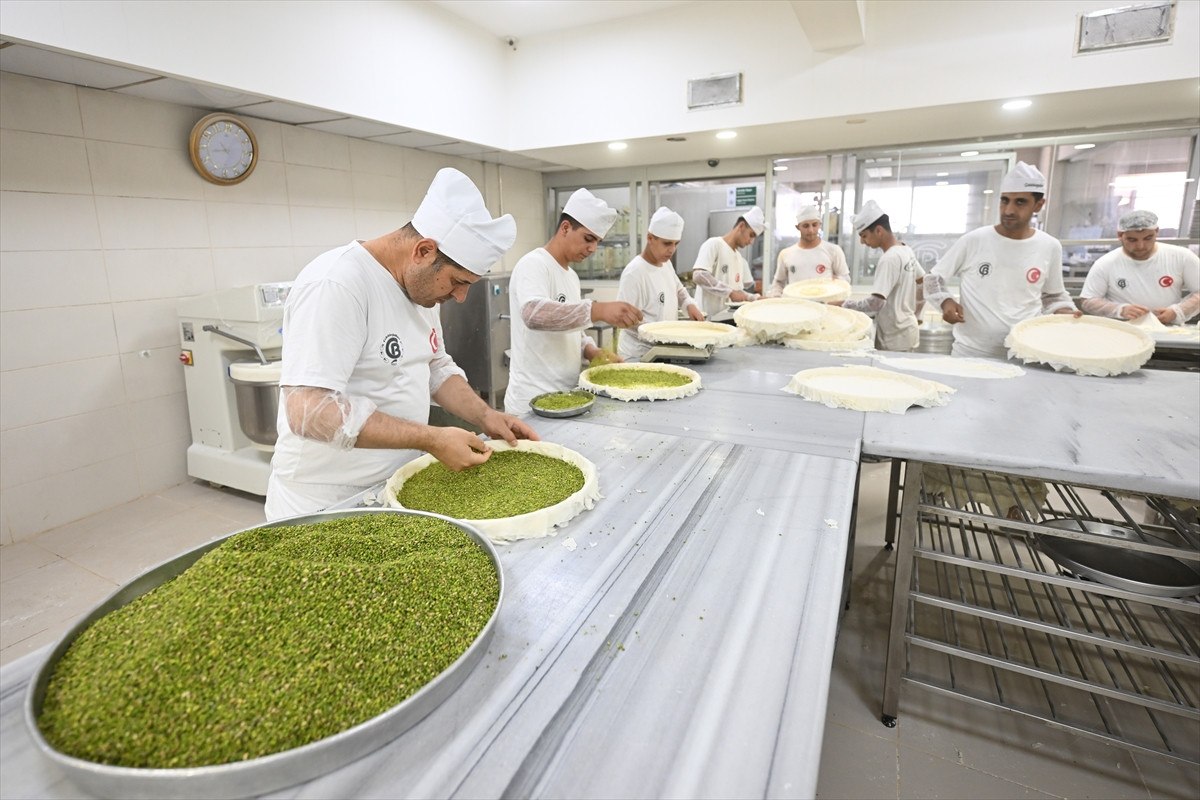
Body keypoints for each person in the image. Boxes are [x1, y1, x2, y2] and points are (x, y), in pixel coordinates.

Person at [265, 168, 539, 520]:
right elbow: (309, 411)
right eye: (457, 282)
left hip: (397, 486)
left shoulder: (421, 291)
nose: (460, 296)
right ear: (424, 251)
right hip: (326, 501)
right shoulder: (337, 284)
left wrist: (486, 416)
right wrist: (431, 438)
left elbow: (434, 366)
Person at [504, 188, 644, 414]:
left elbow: (572, 331)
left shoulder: (571, 276)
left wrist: (592, 351)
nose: (593, 249)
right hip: (531, 401)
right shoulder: (534, 264)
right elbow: (534, 314)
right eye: (588, 239)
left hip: (568, 396)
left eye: (598, 241)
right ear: (565, 228)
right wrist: (597, 310)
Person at [924, 162, 1078, 359]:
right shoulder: (975, 240)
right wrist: (945, 302)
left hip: (1026, 353)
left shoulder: (1049, 246)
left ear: (1038, 204)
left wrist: (1065, 312)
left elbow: (1053, 296)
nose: (1008, 210)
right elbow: (932, 279)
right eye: (1004, 201)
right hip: (971, 353)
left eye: (1020, 202)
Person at [616, 206, 706, 361]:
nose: (672, 250)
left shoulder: (666, 264)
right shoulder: (635, 273)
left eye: (676, 244)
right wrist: (662, 332)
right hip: (638, 355)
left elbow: (679, 290)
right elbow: (625, 320)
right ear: (650, 238)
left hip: (662, 350)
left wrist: (689, 305)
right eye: (667, 243)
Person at [1080, 210, 1199, 325]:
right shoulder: (1106, 263)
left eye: (1148, 238)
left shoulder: (1181, 257)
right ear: (1120, 235)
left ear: (1157, 231)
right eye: (1132, 240)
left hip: (1168, 328)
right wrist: (1120, 310)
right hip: (1123, 330)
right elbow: (1088, 300)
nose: (1141, 246)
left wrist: (1177, 312)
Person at [835, 200, 925, 351]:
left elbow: (875, 303)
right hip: (909, 331)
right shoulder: (905, 250)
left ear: (878, 230)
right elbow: (922, 282)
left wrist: (843, 305)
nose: (862, 242)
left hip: (894, 338)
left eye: (864, 236)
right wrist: (916, 315)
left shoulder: (889, 258)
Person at [691, 206, 765, 318]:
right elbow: (699, 275)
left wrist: (755, 298)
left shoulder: (739, 258)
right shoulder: (714, 244)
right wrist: (729, 292)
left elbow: (737, 292)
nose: (751, 242)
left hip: (727, 321)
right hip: (707, 320)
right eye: (751, 235)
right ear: (741, 226)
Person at [767, 205, 850, 296]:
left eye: (814, 225)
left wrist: (835, 284)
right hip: (797, 306)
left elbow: (845, 280)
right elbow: (778, 282)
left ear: (820, 225)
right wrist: (776, 297)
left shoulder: (833, 251)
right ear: (798, 227)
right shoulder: (786, 254)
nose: (811, 230)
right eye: (806, 226)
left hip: (824, 306)